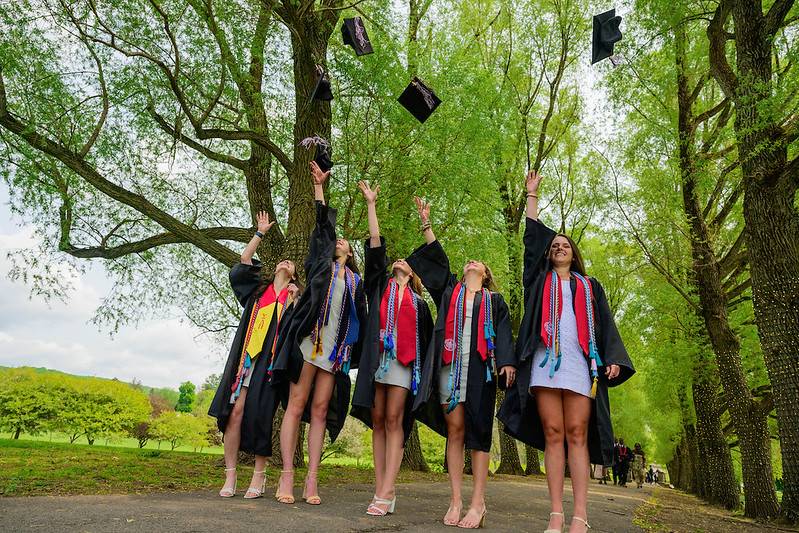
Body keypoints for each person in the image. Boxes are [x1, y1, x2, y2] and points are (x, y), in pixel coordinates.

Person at [497, 171, 635, 533]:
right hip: (544, 364)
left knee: (577, 432)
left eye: (566, 244)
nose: (559, 247)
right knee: (553, 432)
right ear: (549, 254)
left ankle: (581, 515)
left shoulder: (589, 286)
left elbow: (605, 324)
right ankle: (556, 513)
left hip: (580, 365)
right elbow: (530, 246)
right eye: (554, 244)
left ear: (574, 254)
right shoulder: (538, 281)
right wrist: (531, 196)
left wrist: (615, 359)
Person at [405, 196, 517, 529]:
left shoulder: (494, 302)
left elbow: (505, 335)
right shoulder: (450, 292)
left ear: (486, 274)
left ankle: (478, 503)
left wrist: (507, 364)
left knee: (479, 434)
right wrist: (426, 223)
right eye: (469, 260)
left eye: (478, 262)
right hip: (449, 370)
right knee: (454, 432)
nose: (471, 262)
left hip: (480, 371)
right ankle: (455, 500)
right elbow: (438, 262)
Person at [271, 161, 367, 505]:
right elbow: (323, 230)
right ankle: (287, 476)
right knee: (296, 404)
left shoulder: (356, 283)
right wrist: (319, 191)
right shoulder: (319, 267)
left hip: (335, 351)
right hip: (308, 341)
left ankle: (312, 480)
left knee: (321, 410)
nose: (339, 241)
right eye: (336, 240)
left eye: (345, 241)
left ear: (351, 252)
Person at [350, 181, 435, 516]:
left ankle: (387, 490)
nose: (399, 260)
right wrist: (371, 204)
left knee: (395, 418)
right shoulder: (379, 288)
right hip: (378, 361)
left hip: (403, 364)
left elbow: (426, 343)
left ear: (413, 273)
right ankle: (381, 487)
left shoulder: (419, 304)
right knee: (379, 419)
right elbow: (374, 249)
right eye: (396, 258)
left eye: (406, 260)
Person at [208, 211, 301, 499]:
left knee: (261, 416)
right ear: (273, 270)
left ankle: (259, 477)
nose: (285, 262)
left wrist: (294, 302)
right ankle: (231, 475)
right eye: (281, 261)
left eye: (290, 262)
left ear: (295, 275)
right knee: (234, 413)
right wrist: (259, 233)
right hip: (246, 362)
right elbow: (242, 265)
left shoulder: (295, 298)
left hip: (271, 365)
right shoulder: (258, 294)